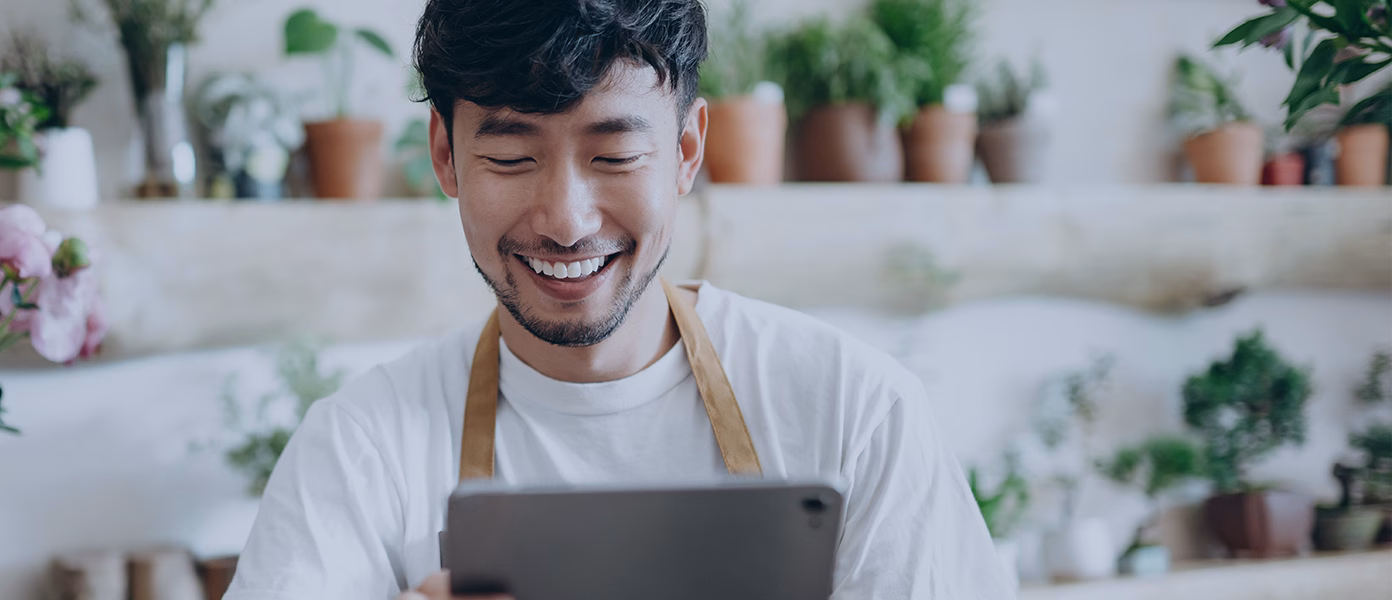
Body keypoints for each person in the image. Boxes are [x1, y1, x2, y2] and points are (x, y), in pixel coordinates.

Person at [223, 1, 1012, 598]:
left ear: (687, 151)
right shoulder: (360, 451)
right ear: (445, 156)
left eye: (615, 153)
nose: (565, 219)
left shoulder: (857, 413)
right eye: (508, 156)